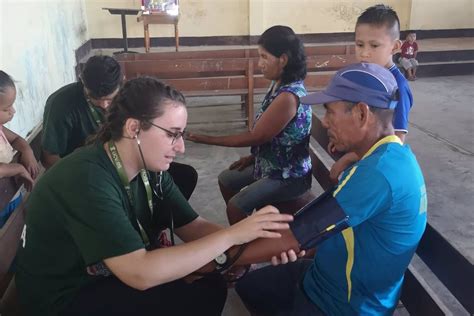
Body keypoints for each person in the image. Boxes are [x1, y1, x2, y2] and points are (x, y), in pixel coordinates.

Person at [16, 77, 295, 316]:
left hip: (103, 272)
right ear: (134, 128)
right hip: (64, 297)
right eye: (173, 135)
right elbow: (140, 273)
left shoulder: (149, 168)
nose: (182, 147)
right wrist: (233, 237)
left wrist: (254, 247)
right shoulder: (87, 178)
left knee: (207, 281)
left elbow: (194, 226)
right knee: (197, 291)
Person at [235, 63, 428, 315]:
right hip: (326, 277)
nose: (325, 123)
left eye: (330, 112)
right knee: (252, 286)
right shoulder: (391, 158)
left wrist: (217, 259)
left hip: (344, 305)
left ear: (361, 113)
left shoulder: (377, 174)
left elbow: (297, 234)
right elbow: (311, 231)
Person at [187, 25, 312, 224]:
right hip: (273, 163)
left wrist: (205, 138)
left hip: (289, 175)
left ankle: (247, 245)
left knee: (235, 206)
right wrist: (255, 156)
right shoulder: (278, 84)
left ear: (283, 60)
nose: (260, 63)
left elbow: (256, 136)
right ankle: (250, 228)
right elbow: (275, 135)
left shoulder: (288, 96)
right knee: (226, 179)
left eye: (264, 57)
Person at [41, 55, 197, 202]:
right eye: (93, 98)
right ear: (82, 81)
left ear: (122, 82)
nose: (104, 105)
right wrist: (82, 179)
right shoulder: (61, 103)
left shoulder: (128, 97)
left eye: (109, 99)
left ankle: (154, 225)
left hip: (126, 163)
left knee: (184, 177)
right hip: (86, 172)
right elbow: (49, 158)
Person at [329, 4, 415, 182]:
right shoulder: (366, 77)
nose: (364, 53)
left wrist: (350, 156)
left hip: (374, 165)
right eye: (359, 45)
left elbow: (397, 140)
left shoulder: (398, 87)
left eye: (374, 46)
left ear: (395, 46)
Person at [0, 71, 39, 227]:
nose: (13, 111)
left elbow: (16, 139)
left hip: (10, 196)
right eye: (6, 108)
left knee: (16, 228)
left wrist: (27, 151)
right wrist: (18, 168)